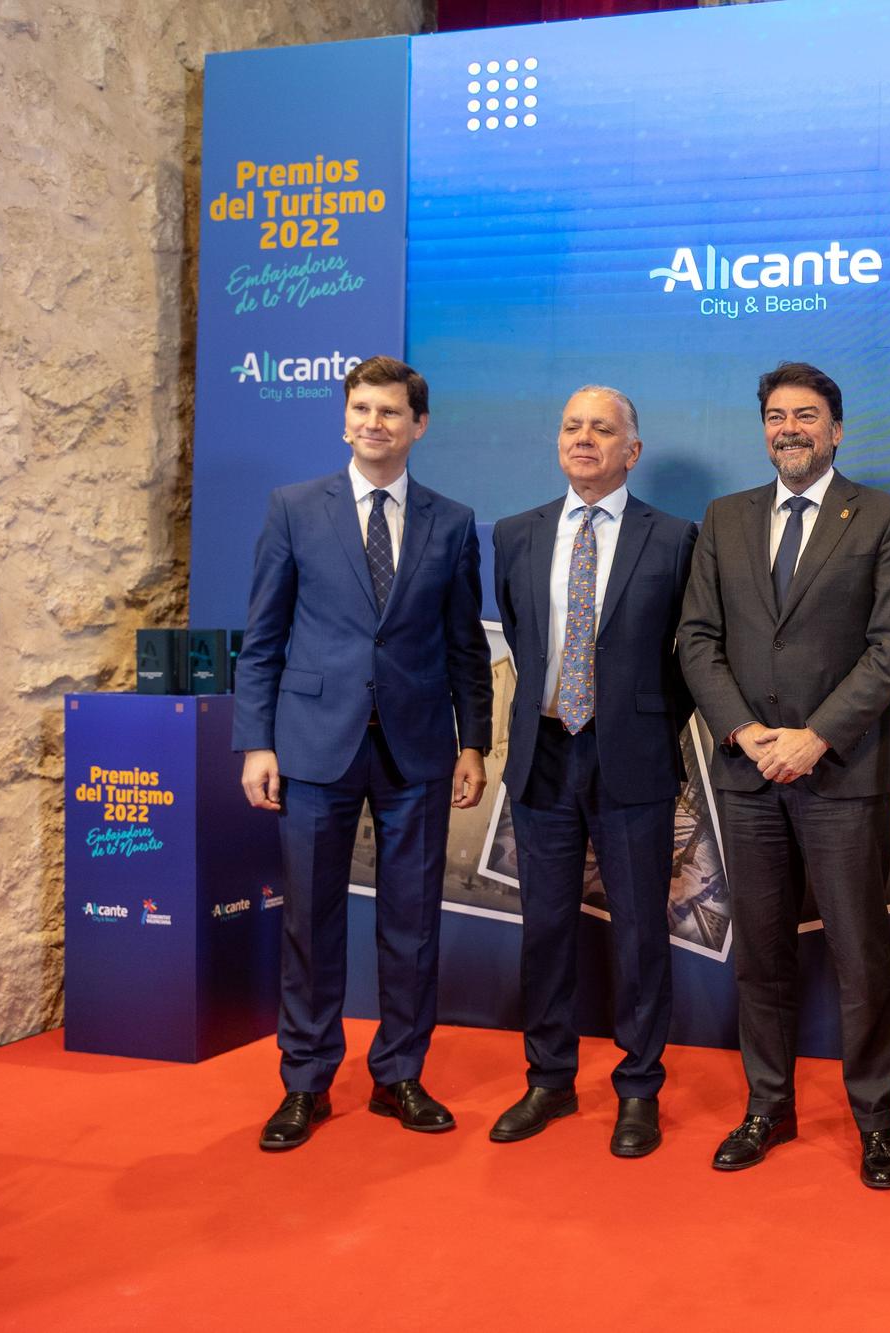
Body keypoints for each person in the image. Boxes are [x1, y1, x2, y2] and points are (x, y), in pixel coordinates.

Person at [234, 355, 493, 1151]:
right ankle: (305, 1081)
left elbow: (464, 649)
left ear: (418, 425)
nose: (373, 424)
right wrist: (256, 743)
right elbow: (264, 640)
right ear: (345, 419)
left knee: (413, 924)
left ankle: (399, 1074)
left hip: (417, 750)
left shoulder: (451, 522)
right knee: (311, 921)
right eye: (361, 410)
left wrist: (474, 741)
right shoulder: (293, 508)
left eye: (389, 412)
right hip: (314, 747)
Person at [677, 361, 890, 1188]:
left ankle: (876, 1121)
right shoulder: (726, 517)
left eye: (807, 415)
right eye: (777, 415)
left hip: (838, 774)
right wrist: (746, 732)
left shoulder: (881, 516)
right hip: (748, 777)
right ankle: (766, 1106)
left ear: (837, 429)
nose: (790, 428)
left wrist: (814, 737)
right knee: (762, 957)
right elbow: (697, 640)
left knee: (861, 955)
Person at [488, 386, 698, 1156]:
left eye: (602, 429)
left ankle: (639, 1087)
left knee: (642, 931)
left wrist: (643, 724)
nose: (584, 439)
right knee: (545, 928)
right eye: (572, 427)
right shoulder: (515, 534)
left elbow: (686, 655)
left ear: (631, 451)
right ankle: (548, 1078)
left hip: (632, 757)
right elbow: (520, 633)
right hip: (543, 752)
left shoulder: (675, 538)